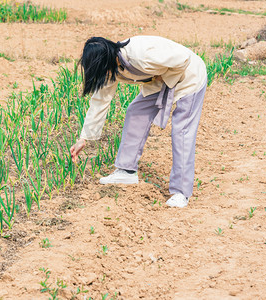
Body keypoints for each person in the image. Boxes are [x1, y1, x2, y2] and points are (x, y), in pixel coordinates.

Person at [70, 36, 207, 208]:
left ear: (107, 61)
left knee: (182, 131)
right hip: (162, 80)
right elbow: (100, 101)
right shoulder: (111, 67)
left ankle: (181, 192)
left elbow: (183, 59)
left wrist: (161, 76)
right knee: (136, 112)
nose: (103, 76)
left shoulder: (141, 55)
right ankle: (127, 170)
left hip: (189, 77)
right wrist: (84, 138)